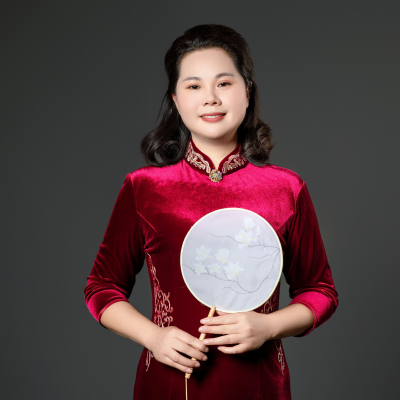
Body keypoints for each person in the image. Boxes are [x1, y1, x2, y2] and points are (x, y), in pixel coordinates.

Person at [84, 24, 339, 400]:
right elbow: (102, 288)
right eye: (194, 86)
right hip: (170, 384)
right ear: (175, 100)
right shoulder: (144, 188)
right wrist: (154, 337)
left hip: (260, 386)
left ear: (247, 91)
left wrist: (269, 327)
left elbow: (320, 291)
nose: (210, 98)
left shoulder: (286, 188)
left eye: (224, 83)